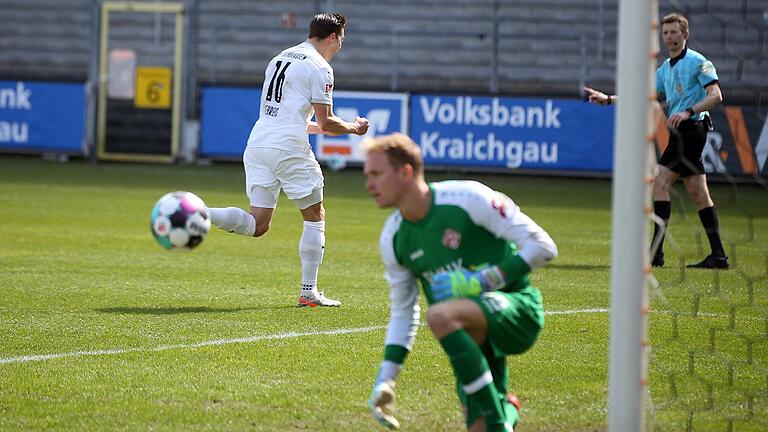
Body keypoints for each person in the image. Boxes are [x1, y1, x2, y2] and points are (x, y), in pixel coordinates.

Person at [363, 133, 557, 431]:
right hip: (466, 335)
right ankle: (506, 410)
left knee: (439, 314)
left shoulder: (469, 198)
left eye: (376, 174)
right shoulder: (393, 237)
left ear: (406, 172)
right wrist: (385, 378)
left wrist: (482, 280)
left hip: (516, 312)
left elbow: (544, 247)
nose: (368, 184)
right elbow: (403, 312)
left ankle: (498, 420)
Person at [206, 13, 369, 307]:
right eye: (342, 37)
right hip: (289, 149)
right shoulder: (321, 68)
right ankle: (309, 292)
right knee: (315, 215)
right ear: (333, 36)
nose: (342, 43)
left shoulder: (280, 57)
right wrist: (354, 129)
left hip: (258, 143)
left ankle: (200, 214)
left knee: (258, 224)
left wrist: (326, 126)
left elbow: (288, 117)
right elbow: (327, 122)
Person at [583, 13, 728, 269]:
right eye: (665, 32)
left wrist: (688, 111)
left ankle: (655, 253)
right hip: (680, 132)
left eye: (674, 32)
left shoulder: (699, 62)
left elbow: (716, 95)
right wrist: (608, 100)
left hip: (692, 129)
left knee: (658, 184)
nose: (669, 36)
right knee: (698, 194)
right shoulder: (665, 69)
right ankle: (718, 256)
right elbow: (642, 96)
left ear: (686, 35)